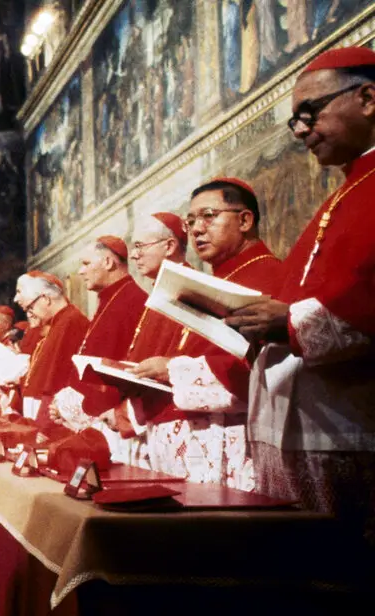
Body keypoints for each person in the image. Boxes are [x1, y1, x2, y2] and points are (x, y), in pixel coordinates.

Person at [226, 46, 375, 544]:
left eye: (309, 114)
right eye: (295, 121)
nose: (300, 132)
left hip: (351, 430)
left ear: (368, 97)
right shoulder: (348, 189)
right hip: (312, 430)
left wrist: (286, 324)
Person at [128, 178, 284, 489]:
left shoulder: (269, 273)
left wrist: (170, 369)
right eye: (191, 220)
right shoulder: (212, 279)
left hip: (236, 435)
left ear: (244, 220)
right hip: (201, 430)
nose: (197, 229)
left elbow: (255, 371)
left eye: (209, 216)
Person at [52, 215, 190, 462]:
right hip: (132, 417)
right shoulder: (144, 294)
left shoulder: (138, 297)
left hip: (154, 419)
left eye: (139, 247)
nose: (134, 255)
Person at [51, 235, 149, 434]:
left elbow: (118, 370)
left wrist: (73, 409)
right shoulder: (109, 299)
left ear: (107, 262)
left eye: (86, 263)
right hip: (94, 417)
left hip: (112, 421)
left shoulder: (132, 301)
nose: (81, 271)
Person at [10, 271, 89, 424]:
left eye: (30, 308)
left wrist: (43, 426)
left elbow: (57, 380)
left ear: (45, 299)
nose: (30, 315)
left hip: (54, 415)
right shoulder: (56, 323)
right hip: (41, 410)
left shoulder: (70, 321)